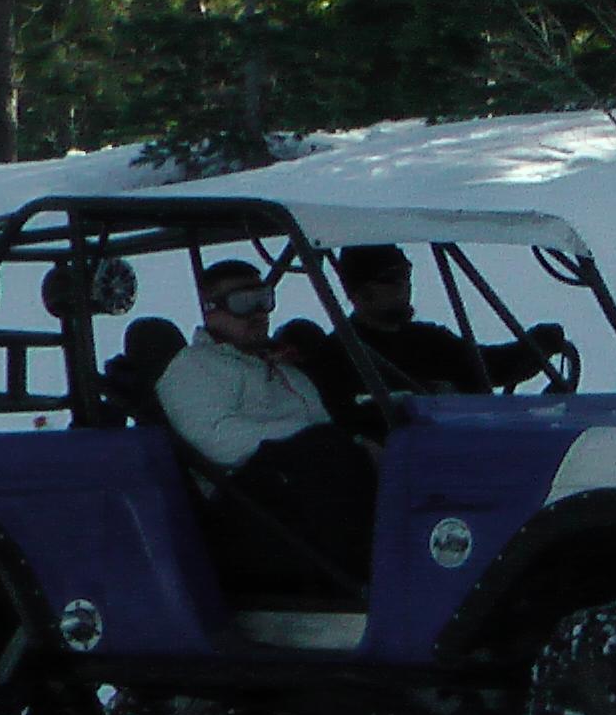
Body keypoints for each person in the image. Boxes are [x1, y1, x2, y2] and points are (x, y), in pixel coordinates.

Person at [158, 259, 378, 587]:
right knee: (327, 450)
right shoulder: (194, 368)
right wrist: (311, 441)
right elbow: (219, 442)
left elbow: (326, 428)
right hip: (241, 506)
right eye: (243, 302)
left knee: (389, 436)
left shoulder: (287, 370)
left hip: (298, 489)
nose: (258, 313)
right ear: (211, 310)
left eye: (264, 299)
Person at [291, 244, 569, 424]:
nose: (404, 285)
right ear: (360, 292)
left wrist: (535, 347)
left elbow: (490, 366)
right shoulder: (337, 357)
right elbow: (346, 422)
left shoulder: (429, 341)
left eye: (406, 274)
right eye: (391, 278)